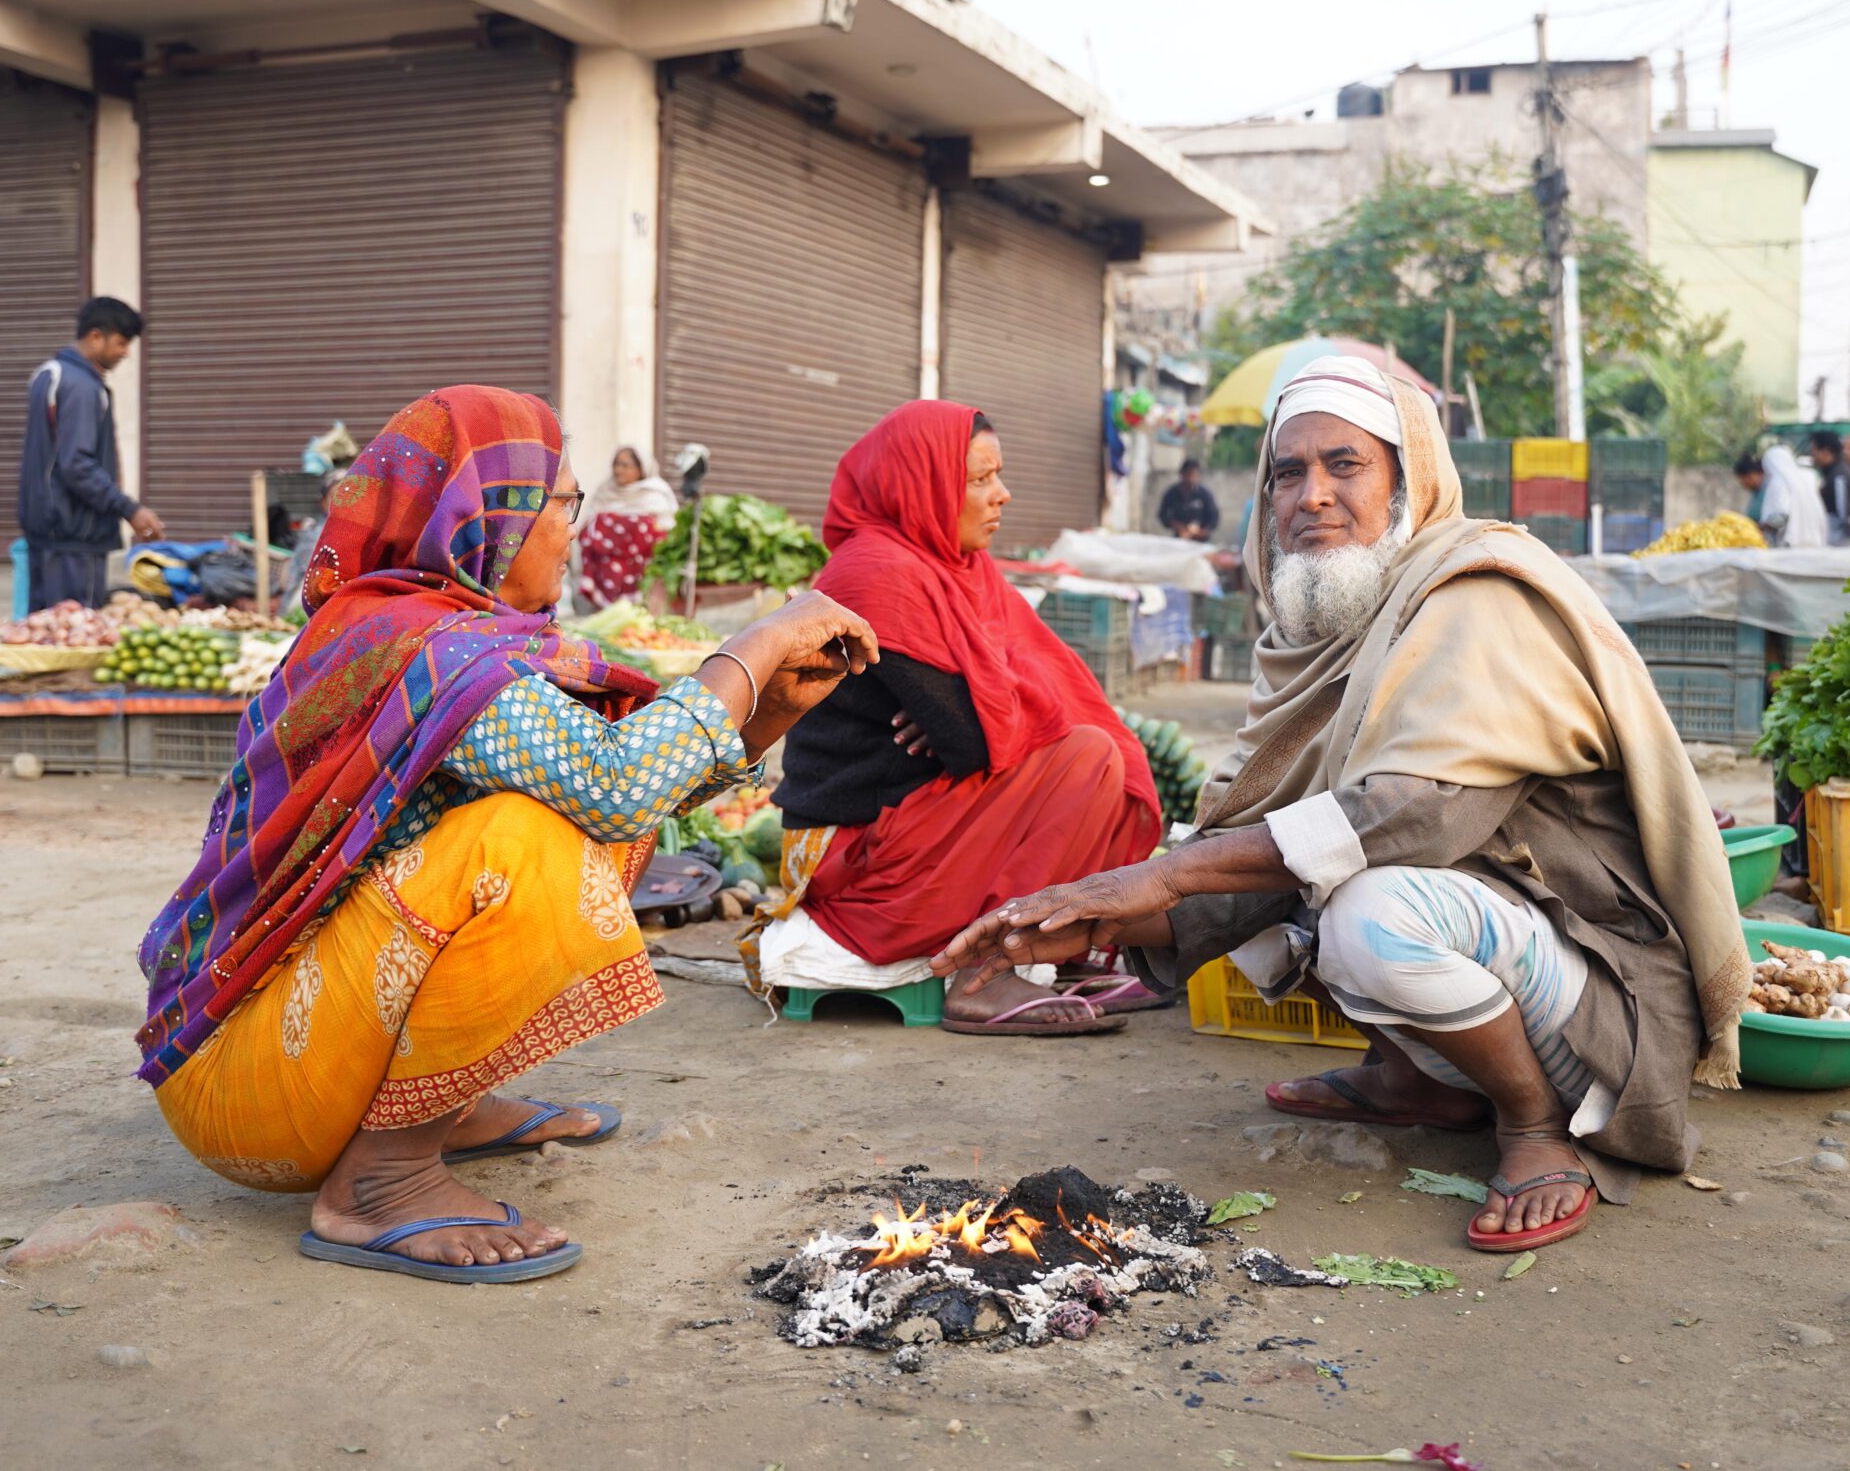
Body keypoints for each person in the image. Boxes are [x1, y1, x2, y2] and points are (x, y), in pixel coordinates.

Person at [933, 355, 1751, 1254]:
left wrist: (1164, 878)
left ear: (1409, 477)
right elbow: (1259, 845)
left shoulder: (1477, 594)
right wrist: (1093, 922)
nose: (1312, 494)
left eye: (1345, 464)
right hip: (1483, 942)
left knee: (1358, 903)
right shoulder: (1322, 630)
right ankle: (1419, 1079)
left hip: (1595, 997)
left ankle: (1531, 1123)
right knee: (1238, 846)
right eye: (1289, 472)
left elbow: (1415, 815)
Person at [134, 385, 878, 1284]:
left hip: (284, 1056)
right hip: (244, 1092)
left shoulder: (433, 635)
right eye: (564, 504)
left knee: (563, 823)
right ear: (488, 513)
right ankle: (382, 1181)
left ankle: (445, 1107)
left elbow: (624, 791)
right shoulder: (424, 646)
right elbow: (612, 784)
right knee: (524, 843)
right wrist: (751, 648)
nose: (574, 527)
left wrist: (760, 721)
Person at [758, 401, 1164, 1036]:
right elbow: (973, 741)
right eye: (978, 479)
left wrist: (985, 699)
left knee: (1095, 750)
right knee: (1086, 758)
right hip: (859, 867)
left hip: (913, 825)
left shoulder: (957, 567)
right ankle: (988, 973)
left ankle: (1049, 950)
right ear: (916, 485)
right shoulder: (877, 573)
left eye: (997, 475)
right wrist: (984, 705)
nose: (1001, 495)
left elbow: (993, 718)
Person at [19, 297, 162, 611]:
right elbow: (77, 464)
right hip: (75, 539)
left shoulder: (47, 374)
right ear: (96, 336)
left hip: (47, 534)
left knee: (48, 637)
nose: (125, 353)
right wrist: (130, 509)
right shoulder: (82, 386)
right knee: (76, 634)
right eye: (122, 343)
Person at [575, 446, 679, 608]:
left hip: (643, 571)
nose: (618, 470)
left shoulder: (656, 494)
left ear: (641, 469)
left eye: (625, 465)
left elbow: (667, 532)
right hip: (607, 569)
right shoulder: (605, 491)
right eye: (616, 464)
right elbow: (587, 527)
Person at [1755, 444, 1829, 548]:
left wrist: (1762, 526)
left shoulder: (1778, 482)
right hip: (1814, 540)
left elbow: (1781, 515)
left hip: (1791, 544)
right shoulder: (1807, 478)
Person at [1806, 432, 1850, 544]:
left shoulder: (1839, 477)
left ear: (1826, 451)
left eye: (1814, 450)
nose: (1812, 455)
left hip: (1842, 544)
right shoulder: (1832, 474)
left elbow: (1844, 516)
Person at [1157, 458, 1222, 541]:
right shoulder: (1172, 493)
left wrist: (1204, 531)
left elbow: (1214, 517)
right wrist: (1177, 526)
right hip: (1180, 539)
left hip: (1201, 541)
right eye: (1188, 474)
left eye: (1194, 475)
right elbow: (1163, 515)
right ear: (1182, 474)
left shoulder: (1205, 494)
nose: (1191, 479)